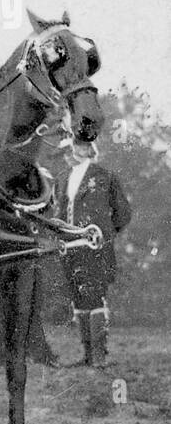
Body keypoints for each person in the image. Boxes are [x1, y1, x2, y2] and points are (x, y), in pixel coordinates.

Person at [58, 141, 132, 367]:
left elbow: (123, 213)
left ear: (88, 149)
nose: (71, 151)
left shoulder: (104, 177)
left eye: (76, 146)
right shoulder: (65, 178)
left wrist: (104, 236)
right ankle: (88, 356)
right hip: (71, 249)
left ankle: (99, 357)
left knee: (95, 297)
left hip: (95, 248)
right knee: (79, 299)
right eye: (70, 147)